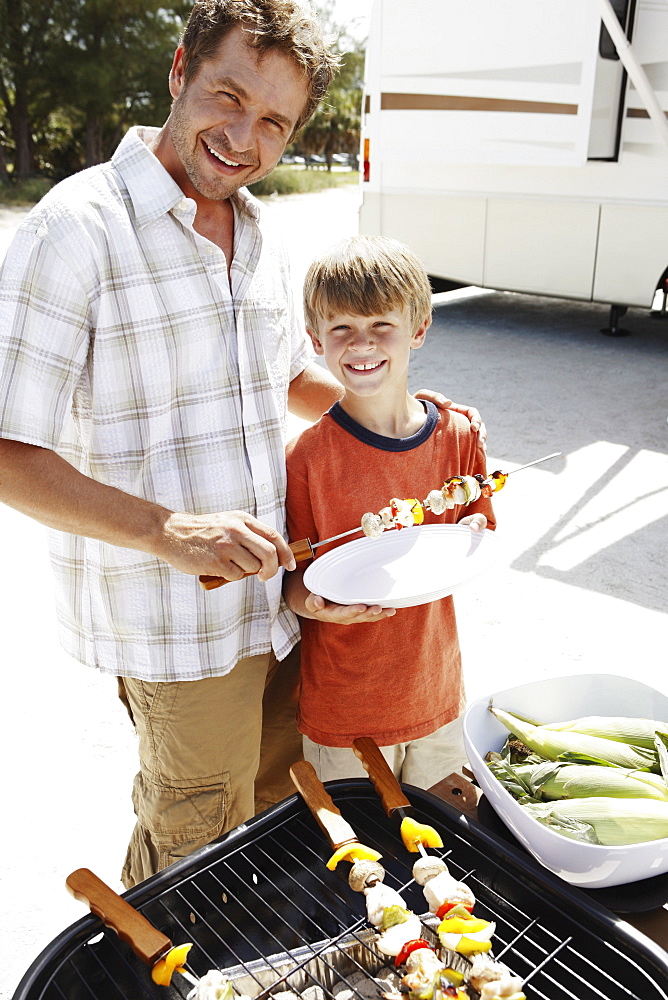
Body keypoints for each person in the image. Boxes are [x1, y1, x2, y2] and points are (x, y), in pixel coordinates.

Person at [0, 1, 484, 888]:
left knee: (280, 807)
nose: (244, 136)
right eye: (229, 96)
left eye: (274, 121)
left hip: (284, 601)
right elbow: (7, 450)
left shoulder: (260, 230)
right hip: (175, 623)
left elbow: (288, 377)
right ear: (179, 70)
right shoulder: (77, 229)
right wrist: (167, 532)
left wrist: (402, 414)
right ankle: (149, 977)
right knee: (195, 835)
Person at [284, 235, 496, 787]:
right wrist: (313, 604)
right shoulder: (306, 458)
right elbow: (293, 580)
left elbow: (480, 523)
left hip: (436, 690)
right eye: (341, 329)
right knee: (364, 850)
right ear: (315, 340)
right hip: (344, 707)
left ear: (419, 330)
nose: (362, 344)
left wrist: (475, 528)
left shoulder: (457, 435)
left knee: (446, 839)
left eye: (382, 325)